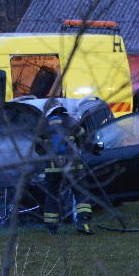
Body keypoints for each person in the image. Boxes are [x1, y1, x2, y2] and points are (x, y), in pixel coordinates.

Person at [36, 101, 93, 235]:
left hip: (52, 168)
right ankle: (83, 224)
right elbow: (84, 139)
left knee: (52, 195)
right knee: (80, 193)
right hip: (73, 166)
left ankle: (52, 228)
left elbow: (38, 148)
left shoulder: (44, 125)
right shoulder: (70, 121)